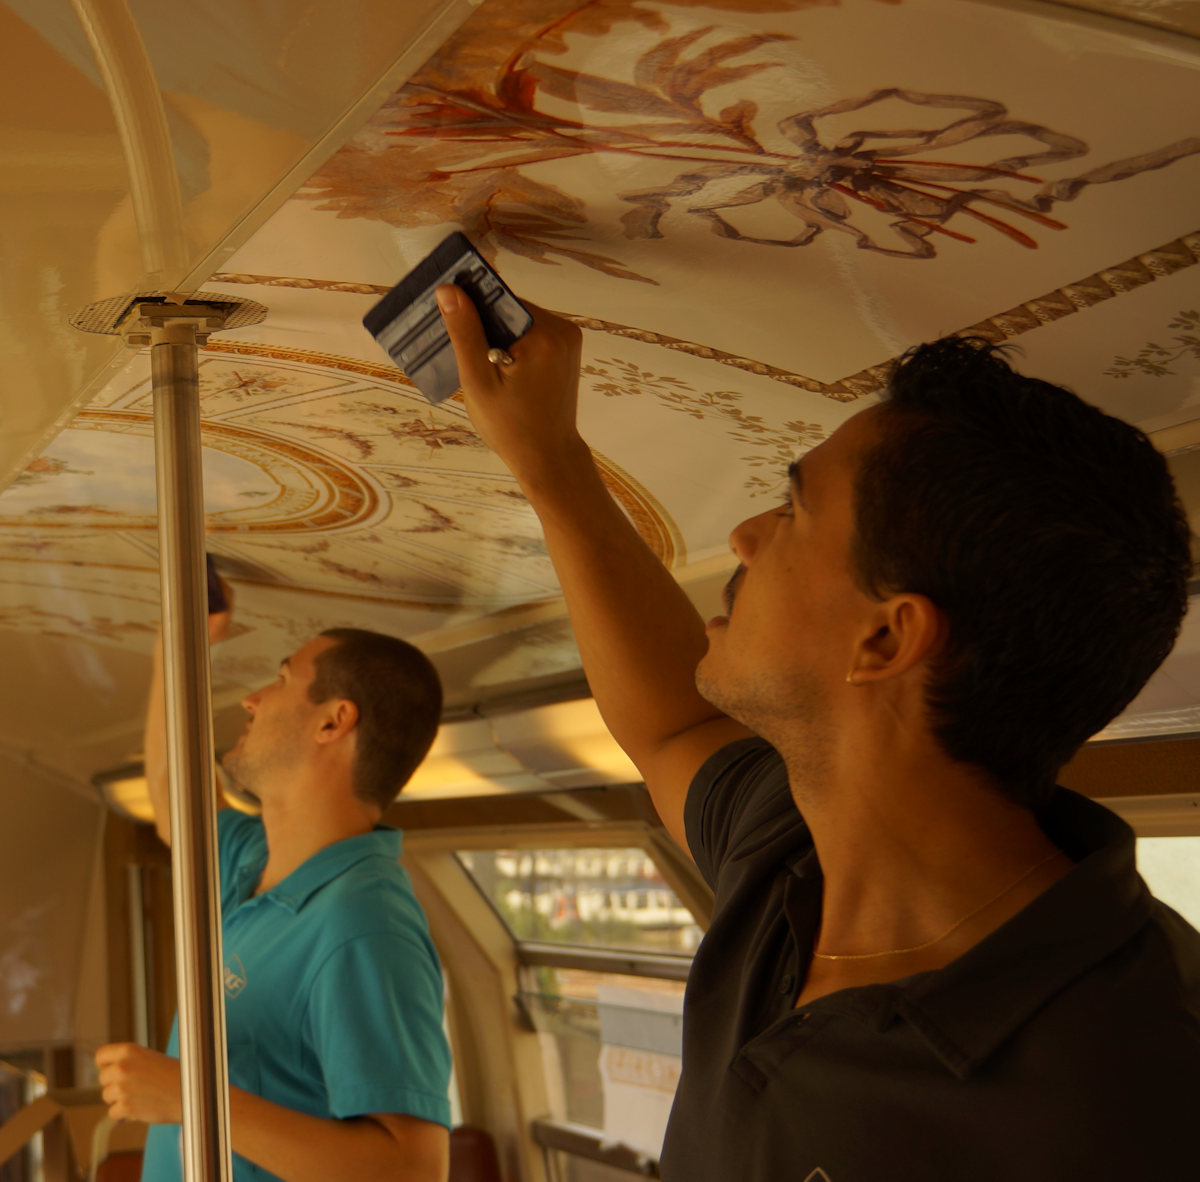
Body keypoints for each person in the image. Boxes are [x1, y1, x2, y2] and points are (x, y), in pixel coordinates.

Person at [435, 283, 1200, 1179]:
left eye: (792, 510)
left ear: (885, 637)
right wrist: (548, 458)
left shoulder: (1137, 1096)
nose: (747, 535)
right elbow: (673, 724)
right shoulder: (793, 849)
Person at [96, 594, 452, 1182]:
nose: (252, 698)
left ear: (332, 721)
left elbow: (413, 1169)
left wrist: (194, 1098)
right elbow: (172, 796)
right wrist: (177, 642)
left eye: (282, 679)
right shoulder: (255, 857)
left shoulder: (362, 925)